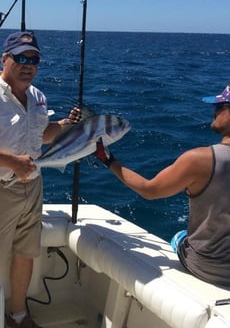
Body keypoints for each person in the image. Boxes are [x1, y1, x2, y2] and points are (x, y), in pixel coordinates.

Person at [0, 31, 80, 328]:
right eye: (20, 58)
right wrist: (12, 162)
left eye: (34, 59)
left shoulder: (38, 97)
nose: (28, 65)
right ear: (4, 60)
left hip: (33, 188)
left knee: (25, 254)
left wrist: (64, 125)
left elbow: (41, 136)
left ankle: (19, 315)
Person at [95, 82, 230, 287]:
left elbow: (150, 191)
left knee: (178, 238)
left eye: (221, 106)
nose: (215, 110)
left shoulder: (201, 160)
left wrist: (109, 161)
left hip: (208, 268)